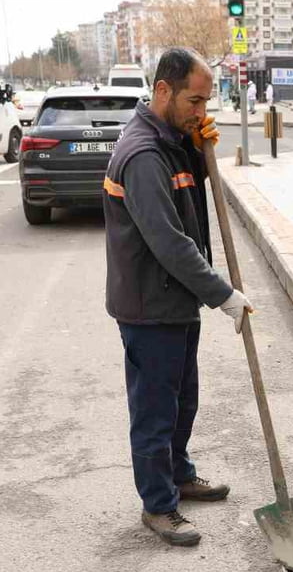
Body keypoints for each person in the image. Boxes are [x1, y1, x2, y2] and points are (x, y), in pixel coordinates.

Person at [103, 47, 254, 546]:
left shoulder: (168, 142)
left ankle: (179, 474)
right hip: (150, 306)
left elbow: (184, 188)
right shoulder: (143, 154)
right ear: (163, 90)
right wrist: (222, 294)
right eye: (195, 101)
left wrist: (197, 151)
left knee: (183, 400)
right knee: (155, 410)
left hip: (175, 300)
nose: (201, 111)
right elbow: (168, 241)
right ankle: (158, 505)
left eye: (206, 102)